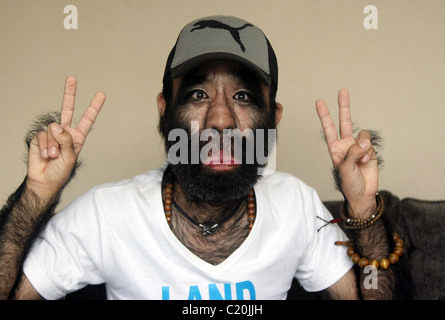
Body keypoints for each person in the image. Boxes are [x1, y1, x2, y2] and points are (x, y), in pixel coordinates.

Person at [0, 15, 395, 300]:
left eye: (242, 97)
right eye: (197, 95)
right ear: (164, 109)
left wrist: (362, 205)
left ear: (271, 118)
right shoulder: (107, 214)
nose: (220, 120)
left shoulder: (296, 206)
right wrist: (37, 193)